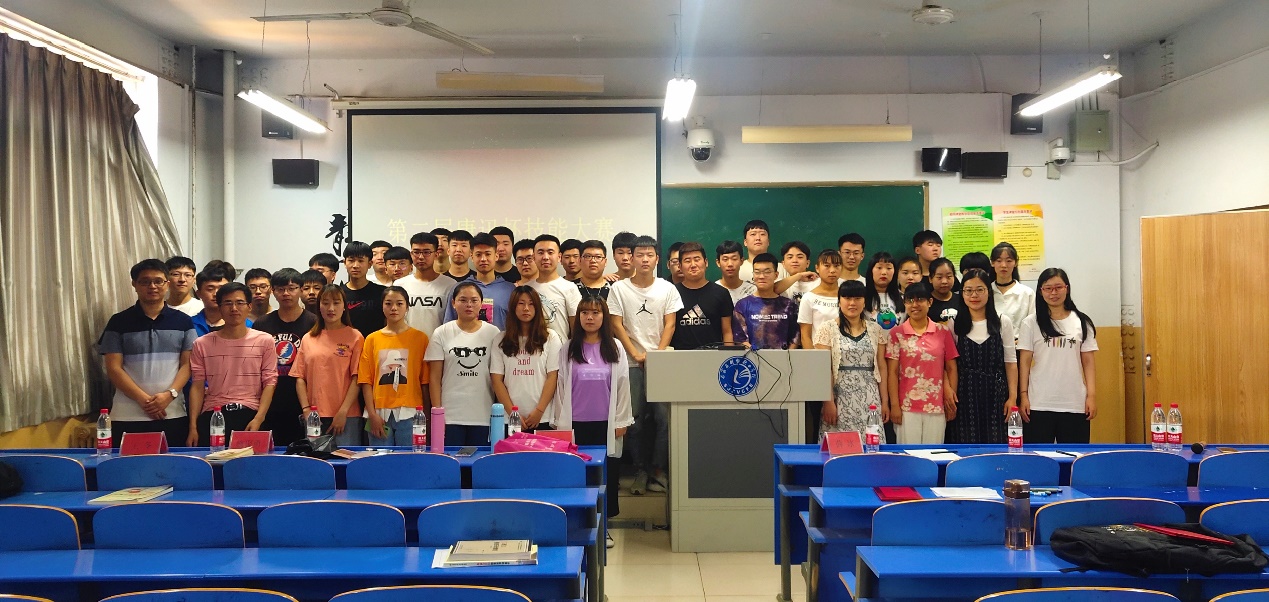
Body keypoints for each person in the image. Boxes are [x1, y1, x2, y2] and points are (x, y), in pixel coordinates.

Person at [552, 295, 632, 544]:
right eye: (585, 312)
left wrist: (622, 420)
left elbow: (623, 385)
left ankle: (603, 527)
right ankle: (579, 527)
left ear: (604, 317)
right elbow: (561, 386)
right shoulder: (568, 348)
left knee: (605, 476)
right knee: (578, 476)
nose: (589, 317)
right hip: (575, 424)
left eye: (595, 313)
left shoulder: (615, 347)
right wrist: (560, 423)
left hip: (606, 424)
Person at [608, 236, 681, 495]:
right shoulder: (619, 289)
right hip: (629, 362)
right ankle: (639, 470)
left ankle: (658, 472)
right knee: (634, 421)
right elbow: (616, 324)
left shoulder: (667, 288)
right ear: (632, 258)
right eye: (639, 255)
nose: (644, 259)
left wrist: (656, 356)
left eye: (649, 255)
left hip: (661, 363)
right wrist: (635, 354)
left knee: (663, 419)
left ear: (657, 258)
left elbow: (670, 324)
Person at [98, 259, 196, 447]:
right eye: (145, 282)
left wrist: (170, 394)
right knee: (128, 464)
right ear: (134, 284)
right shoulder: (118, 322)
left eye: (158, 281)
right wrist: (144, 400)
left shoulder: (183, 322)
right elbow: (113, 368)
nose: (152, 286)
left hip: (172, 413)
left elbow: (187, 364)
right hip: (127, 416)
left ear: (167, 283)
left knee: (173, 464)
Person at [186, 282, 278, 446]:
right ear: (220, 308)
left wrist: (259, 418)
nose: (234, 308)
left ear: (249, 306)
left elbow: (269, 382)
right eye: (228, 303)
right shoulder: (202, 344)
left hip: (251, 415)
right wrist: (193, 426)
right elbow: (197, 386)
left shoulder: (265, 341)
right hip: (213, 415)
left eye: (239, 303)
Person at [1017, 268, 1098, 444]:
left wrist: (1091, 396)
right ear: (1041, 291)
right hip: (1038, 403)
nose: (1053, 293)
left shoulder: (1082, 322)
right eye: (1048, 288)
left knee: (1073, 455)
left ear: (1066, 288)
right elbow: (1024, 362)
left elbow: (1088, 362)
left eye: (1058, 287)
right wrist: (1023, 395)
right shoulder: (1030, 323)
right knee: (1037, 456)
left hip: (1074, 403)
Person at [426, 281, 502, 446]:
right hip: (450, 416)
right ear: (453, 303)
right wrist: (438, 414)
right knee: (451, 459)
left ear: (481, 303)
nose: (469, 305)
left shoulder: (493, 333)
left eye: (474, 300)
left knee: (480, 460)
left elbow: (498, 377)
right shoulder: (441, 332)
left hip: (483, 415)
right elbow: (434, 378)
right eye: (463, 300)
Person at [948, 268, 1017, 445]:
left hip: (996, 393)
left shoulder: (1002, 321)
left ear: (989, 292)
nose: (974, 295)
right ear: (962, 294)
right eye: (968, 290)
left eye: (980, 289)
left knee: (996, 443)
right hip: (964, 393)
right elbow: (950, 364)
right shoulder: (954, 323)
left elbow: (1010, 363)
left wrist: (1012, 397)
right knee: (965, 443)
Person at [292, 284, 365, 447]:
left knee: (346, 459)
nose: (331, 308)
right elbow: (299, 377)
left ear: (344, 306)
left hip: (347, 416)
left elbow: (357, 378)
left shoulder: (355, 337)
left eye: (336, 303)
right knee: (315, 460)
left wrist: (343, 411)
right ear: (319, 307)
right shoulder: (308, 338)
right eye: (325, 303)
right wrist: (306, 410)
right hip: (314, 416)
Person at [886, 281, 959, 444]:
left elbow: (951, 368)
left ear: (930, 302)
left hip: (937, 406)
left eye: (920, 299)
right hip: (907, 407)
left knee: (933, 454)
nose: (915, 305)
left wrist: (951, 400)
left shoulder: (943, 331)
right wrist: (894, 405)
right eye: (910, 300)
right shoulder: (896, 333)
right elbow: (892, 372)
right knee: (908, 455)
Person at [813, 281, 887, 441]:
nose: (852, 303)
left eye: (857, 298)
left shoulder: (876, 330)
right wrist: (828, 402)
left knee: (871, 444)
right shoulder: (827, 329)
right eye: (847, 298)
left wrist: (885, 401)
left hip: (870, 398)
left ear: (864, 301)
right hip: (839, 398)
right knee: (839, 446)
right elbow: (824, 369)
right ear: (839, 301)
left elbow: (882, 366)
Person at [252, 268, 318, 445]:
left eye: (292, 288)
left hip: (304, 400)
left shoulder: (314, 322)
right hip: (271, 399)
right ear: (273, 291)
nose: (286, 293)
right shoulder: (262, 324)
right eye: (280, 289)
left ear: (301, 290)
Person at [359, 286, 430, 447]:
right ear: (382, 306)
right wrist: (372, 414)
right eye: (388, 303)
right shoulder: (372, 339)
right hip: (379, 414)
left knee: (409, 459)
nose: (394, 308)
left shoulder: (420, 338)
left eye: (399, 303)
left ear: (407, 307)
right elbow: (366, 381)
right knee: (380, 459)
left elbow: (425, 382)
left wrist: (426, 415)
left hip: (411, 412)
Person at [491, 287, 563, 431]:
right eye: (521, 303)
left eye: (531, 304)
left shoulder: (551, 337)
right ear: (513, 306)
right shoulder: (500, 339)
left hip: (542, 416)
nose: (526, 308)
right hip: (510, 417)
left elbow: (552, 376)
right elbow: (497, 380)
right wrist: (513, 413)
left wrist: (539, 411)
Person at [443, 232, 514, 329]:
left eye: (488, 254)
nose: (483, 259)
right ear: (472, 257)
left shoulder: (510, 290)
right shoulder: (459, 289)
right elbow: (448, 327)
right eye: (478, 254)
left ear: (496, 256)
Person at [672, 242, 734, 350]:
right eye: (687, 261)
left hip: (713, 355)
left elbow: (727, 332)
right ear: (680, 266)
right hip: (680, 356)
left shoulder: (721, 293)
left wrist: (729, 355)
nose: (693, 265)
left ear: (706, 263)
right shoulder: (671, 292)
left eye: (697, 259)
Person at [732, 253, 800, 350]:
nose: (761, 276)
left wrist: (786, 356)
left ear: (776, 275)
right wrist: (757, 356)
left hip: (785, 358)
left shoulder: (789, 305)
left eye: (767, 272)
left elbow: (795, 338)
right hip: (752, 357)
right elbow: (740, 339)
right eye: (757, 272)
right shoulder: (742, 305)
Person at [398, 232, 459, 340]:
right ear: (411, 254)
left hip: (439, 345)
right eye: (416, 252)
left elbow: (453, 321)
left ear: (436, 254)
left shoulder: (450, 285)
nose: (421, 257)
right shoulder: (400, 285)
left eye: (426, 252)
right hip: (407, 345)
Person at [530, 234, 583, 340]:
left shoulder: (569, 288)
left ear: (559, 257)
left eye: (550, 252)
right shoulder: (527, 288)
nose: (545, 257)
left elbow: (576, 327)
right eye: (540, 253)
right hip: (530, 348)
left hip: (560, 348)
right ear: (534, 257)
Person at [340, 241, 387, 338]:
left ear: (370, 264)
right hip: (345, 345)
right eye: (351, 260)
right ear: (345, 263)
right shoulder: (338, 294)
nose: (355, 265)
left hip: (375, 344)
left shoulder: (382, 293)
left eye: (361, 261)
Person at [798, 250, 845, 348]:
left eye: (837, 266)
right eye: (827, 266)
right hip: (819, 353)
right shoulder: (809, 298)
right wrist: (814, 356)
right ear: (817, 268)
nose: (832, 270)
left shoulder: (848, 296)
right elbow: (805, 336)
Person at [990, 242, 1035, 342]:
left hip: (1019, 346)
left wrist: (1022, 342)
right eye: (999, 261)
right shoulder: (986, 292)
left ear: (1016, 262)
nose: (1004, 265)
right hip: (991, 346)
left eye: (1009, 261)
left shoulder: (1027, 293)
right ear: (992, 263)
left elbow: (1034, 325)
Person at [191, 266, 241, 336]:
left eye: (221, 289)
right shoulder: (189, 324)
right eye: (210, 289)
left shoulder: (244, 324)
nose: (216, 294)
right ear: (198, 293)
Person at [864, 252, 905, 332]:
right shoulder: (862, 297)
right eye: (879, 267)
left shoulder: (903, 298)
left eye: (889, 268)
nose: (884, 272)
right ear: (871, 270)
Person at [715, 240, 757, 304]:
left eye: (734, 259)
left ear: (741, 261)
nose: (730, 264)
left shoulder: (752, 291)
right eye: (725, 259)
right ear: (718, 263)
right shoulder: (712, 291)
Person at [928, 257, 961, 324]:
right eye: (939, 277)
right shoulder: (926, 302)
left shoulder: (962, 300)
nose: (944, 281)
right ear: (930, 279)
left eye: (949, 276)